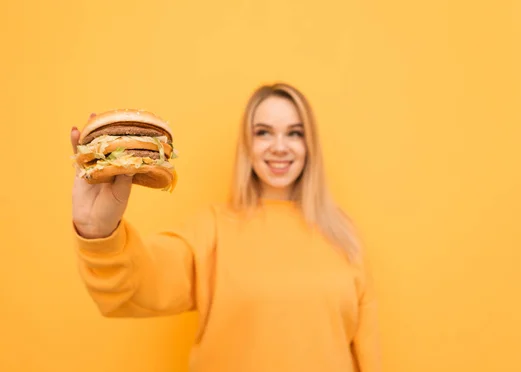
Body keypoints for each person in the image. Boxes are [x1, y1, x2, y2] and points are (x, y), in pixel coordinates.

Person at [70, 82, 381, 371]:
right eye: (263, 132)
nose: (279, 146)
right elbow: (140, 282)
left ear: (309, 144)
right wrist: (98, 230)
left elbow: (367, 351)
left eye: (295, 133)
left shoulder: (343, 233)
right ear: (246, 144)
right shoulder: (212, 229)